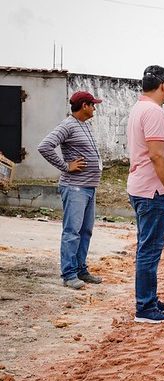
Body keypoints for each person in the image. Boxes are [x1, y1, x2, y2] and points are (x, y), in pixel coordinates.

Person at [126, 65, 164, 324]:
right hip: (153, 190)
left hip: (141, 187)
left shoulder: (140, 108)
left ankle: (149, 298)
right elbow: (157, 155)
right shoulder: (153, 112)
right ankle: (146, 308)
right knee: (150, 249)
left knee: (146, 247)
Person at [38, 91, 105, 290]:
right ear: (84, 105)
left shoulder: (84, 125)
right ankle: (69, 274)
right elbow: (45, 146)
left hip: (89, 187)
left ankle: (81, 270)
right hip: (75, 187)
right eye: (93, 104)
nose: (95, 108)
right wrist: (66, 166)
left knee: (85, 231)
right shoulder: (67, 125)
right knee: (72, 232)